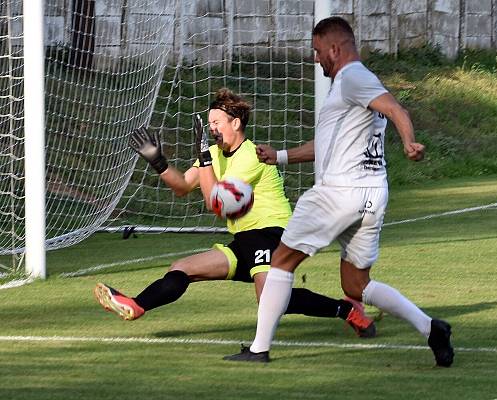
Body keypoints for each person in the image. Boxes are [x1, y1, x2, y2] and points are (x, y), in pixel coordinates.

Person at [223, 17, 454, 366]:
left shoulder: (353, 77)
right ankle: (431, 328)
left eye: (318, 51)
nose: (316, 59)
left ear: (335, 48)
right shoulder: (350, 87)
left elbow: (395, 108)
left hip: (338, 192)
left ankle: (258, 349)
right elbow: (330, 144)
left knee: (281, 261)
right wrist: (281, 157)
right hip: (372, 194)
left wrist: (409, 141)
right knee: (356, 285)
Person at [93, 88, 376, 339]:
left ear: (236, 123)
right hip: (244, 239)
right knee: (182, 269)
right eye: (209, 123)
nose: (211, 128)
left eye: (216, 123)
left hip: (272, 235)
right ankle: (136, 304)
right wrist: (158, 161)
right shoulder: (213, 155)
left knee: (272, 301)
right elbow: (182, 187)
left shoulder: (251, 155)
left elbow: (214, 201)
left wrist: (204, 158)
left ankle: (346, 310)